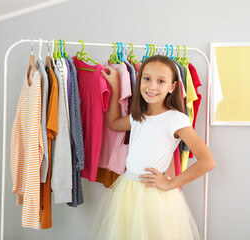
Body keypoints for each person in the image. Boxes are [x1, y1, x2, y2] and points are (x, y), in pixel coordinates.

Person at [91, 55, 215, 240]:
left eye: (161, 81)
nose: (152, 86)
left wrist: (171, 183)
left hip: (152, 194)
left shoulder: (175, 119)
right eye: (146, 78)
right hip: (128, 190)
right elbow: (114, 124)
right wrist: (116, 88)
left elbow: (208, 161)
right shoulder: (139, 115)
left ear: (172, 87)